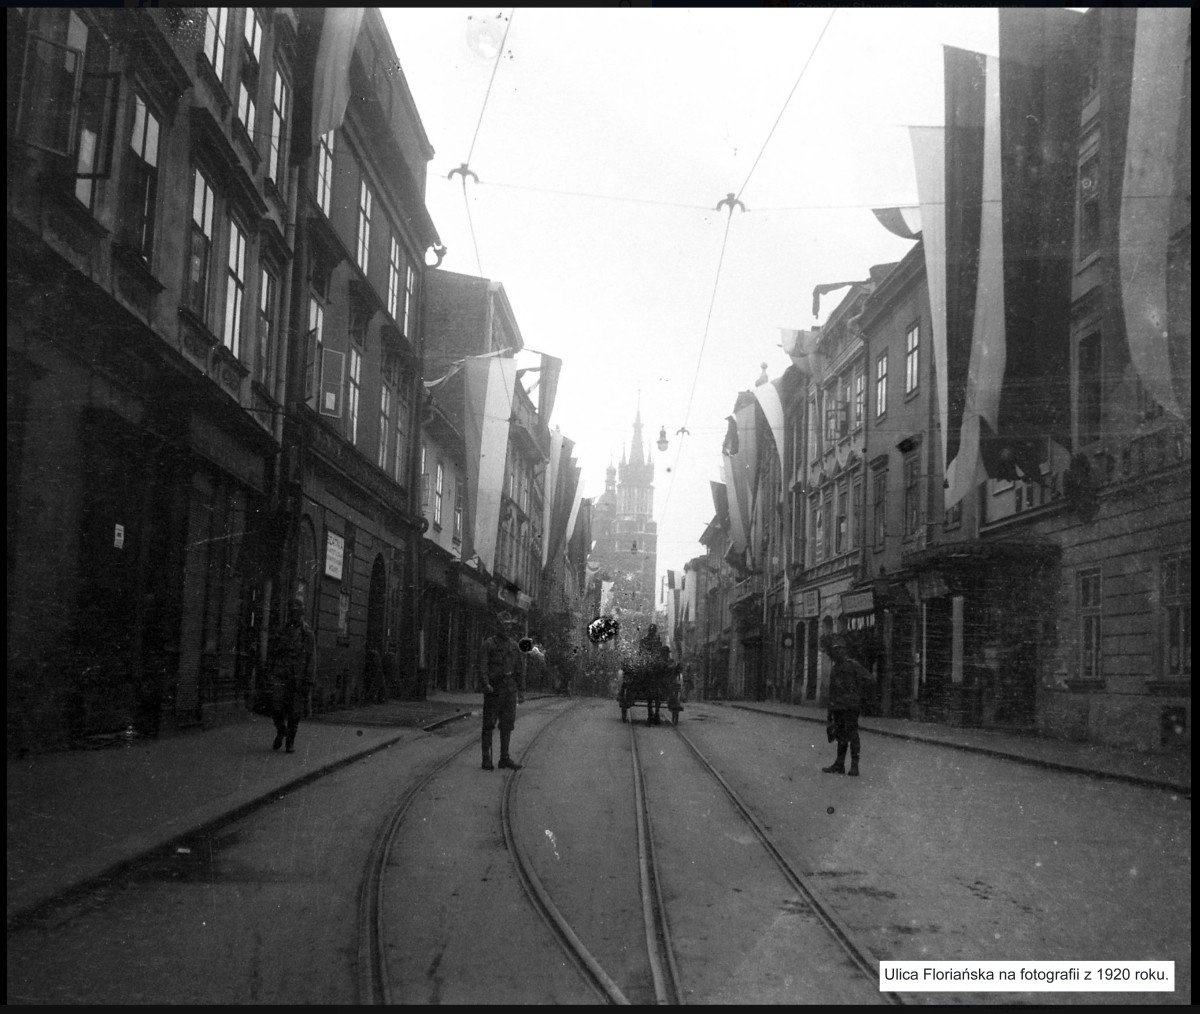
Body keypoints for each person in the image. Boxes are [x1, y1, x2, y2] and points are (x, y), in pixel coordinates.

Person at [269, 597, 316, 754]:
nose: (294, 615)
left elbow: (311, 658)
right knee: (276, 708)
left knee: (294, 713)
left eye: (297, 612)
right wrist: (271, 671)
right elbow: (274, 652)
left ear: (301, 613)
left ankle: (290, 742)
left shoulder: (307, 633)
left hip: (298, 678)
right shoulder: (282, 631)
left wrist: (309, 680)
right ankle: (281, 730)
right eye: (292, 612)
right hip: (281, 675)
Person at [821, 635, 872, 776]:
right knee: (840, 735)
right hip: (838, 706)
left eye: (840, 649)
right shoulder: (835, 669)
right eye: (835, 650)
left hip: (850, 706)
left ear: (845, 651)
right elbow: (832, 691)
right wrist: (830, 712)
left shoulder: (853, 665)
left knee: (853, 735)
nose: (837, 652)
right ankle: (839, 764)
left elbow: (869, 679)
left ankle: (854, 766)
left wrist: (857, 693)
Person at [481, 612, 526, 770]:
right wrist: (486, 684)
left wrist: (521, 691)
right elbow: (483, 667)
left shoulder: (514, 646)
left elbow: (519, 669)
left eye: (509, 626)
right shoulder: (488, 644)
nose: (507, 628)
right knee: (489, 725)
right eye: (504, 625)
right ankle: (486, 759)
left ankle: (504, 758)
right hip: (494, 690)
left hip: (509, 690)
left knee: (507, 725)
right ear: (498, 627)